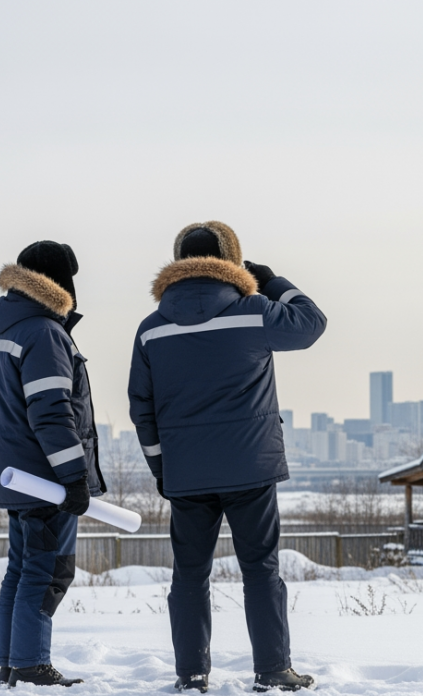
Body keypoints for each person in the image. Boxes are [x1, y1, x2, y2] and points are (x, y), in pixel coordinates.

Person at [128, 222, 327, 693]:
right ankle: (273, 670)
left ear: (177, 263)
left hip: (186, 472)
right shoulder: (254, 312)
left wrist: (161, 467)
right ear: (232, 261)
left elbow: (141, 406)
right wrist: (272, 281)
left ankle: (192, 674)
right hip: (250, 467)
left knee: (189, 575)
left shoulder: (152, 329)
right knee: (261, 570)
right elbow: (312, 323)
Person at [0, 241, 104, 688]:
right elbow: (51, 412)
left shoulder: (8, 330)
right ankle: (31, 664)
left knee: (21, 569)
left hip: (20, 476)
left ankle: (12, 662)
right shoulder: (45, 333)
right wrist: (74, 477)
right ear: (60, 282)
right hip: (47, 479)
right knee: (48, 570)